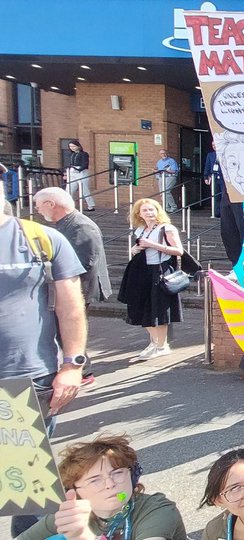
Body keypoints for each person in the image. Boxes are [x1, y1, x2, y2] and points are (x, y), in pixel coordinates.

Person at [0, 182, 89, 538]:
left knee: (26, 489)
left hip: (22, 381)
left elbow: (71, 307)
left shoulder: (39, 238)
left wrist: (73, 365)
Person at [16, 435, 187, 540]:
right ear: (75, 492)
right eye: (95, 480)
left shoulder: (156, 508)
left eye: (118, 473)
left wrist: (84, 537)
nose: (110, 484)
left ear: (132, 475)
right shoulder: (71, 515)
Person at [117, 198, 184, 360]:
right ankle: (154, 343)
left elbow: (179, 251)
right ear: (139, 214)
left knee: (158, 308)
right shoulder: (140, 230)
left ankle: (161, 345)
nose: (149, 213)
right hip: (142, 271)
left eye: (152, 209)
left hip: (160, 270)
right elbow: (139, 249)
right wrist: (134, 249)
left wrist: (153, 245)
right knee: (141, 307)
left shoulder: (166, 229)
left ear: (158, 211)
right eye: (145, 210)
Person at [34, 187, 111, 306]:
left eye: (38, 207)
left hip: (76, 289)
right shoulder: (69, 223)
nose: (38, 211)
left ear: (51, 204)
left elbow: (84, 262)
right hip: (70, 288)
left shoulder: (81, 226)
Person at [205, 140, 244, 263]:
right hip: (227, 192)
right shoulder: (216, 156)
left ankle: (242, 261)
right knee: (228, 230)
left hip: (242, 193)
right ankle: (236, 263)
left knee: (241, 227)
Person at [64, 140, 97, 212]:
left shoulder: (84, 154)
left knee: (84, 189)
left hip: (81, 172)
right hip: (72, 172)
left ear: (78, 146)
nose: (72, 148)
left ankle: (90, 206)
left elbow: (85, 164)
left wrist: (78, 169)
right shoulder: (71, 154)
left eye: (73, 146)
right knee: (69, 189)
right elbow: (69, 163)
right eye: (70, 146)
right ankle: (69, 206)